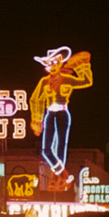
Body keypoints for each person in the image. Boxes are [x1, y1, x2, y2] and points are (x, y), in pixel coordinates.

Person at [29, 46, 93, 190]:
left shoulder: (66, 79)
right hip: (49, 114)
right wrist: (37, 119)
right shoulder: (44, 82)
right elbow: (35, 99)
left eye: (55, 62)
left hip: (63, 113)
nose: (52, 65)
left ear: (60, 63)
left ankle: (60, 179)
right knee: (46, 150)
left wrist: (82, 65)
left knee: (60, 147)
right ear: (46, 66)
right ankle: (63, 174)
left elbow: (86, 81)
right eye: (50, 63)